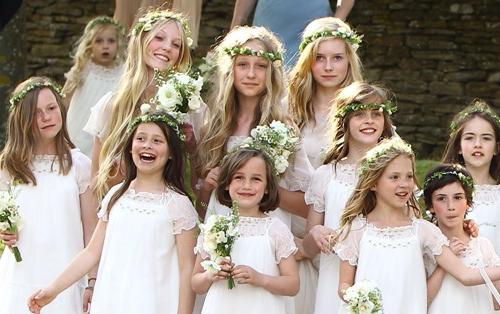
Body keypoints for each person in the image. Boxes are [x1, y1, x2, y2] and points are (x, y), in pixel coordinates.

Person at [27, 106, 198, 314]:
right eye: (141, 138)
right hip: (112, 300)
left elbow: (185, 269)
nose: (147, 145)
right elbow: (91, 253)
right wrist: (52, 290)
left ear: (171, 152)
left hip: (153, 304)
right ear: (130, 147)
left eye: (157, 141)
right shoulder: (116, 195)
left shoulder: (178, 205)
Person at [334, 137, 500, 314]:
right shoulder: (357, 229)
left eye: (409, 176)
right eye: (394, 177)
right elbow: (344, 284)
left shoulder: (424, 231)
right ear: (374, 182)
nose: (404, 184)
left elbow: (466, 275)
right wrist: (356, 296)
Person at [195, 25, 313, 223]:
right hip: (222, 240)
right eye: (242, 64)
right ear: (230, 69)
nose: (251, 74)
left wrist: (263, 189)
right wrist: (208, 188)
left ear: (271, 71)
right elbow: (201, 211)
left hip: (266, 238)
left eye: (260, 66)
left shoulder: (283, 128)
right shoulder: (213, 129)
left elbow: (309, 206)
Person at [0, 77, 97, 314]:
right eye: (36, 113)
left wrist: (92, 282)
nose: (46, 117)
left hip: (65, 276)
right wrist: (4, 230)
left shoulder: (79, 165)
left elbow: (92, 230)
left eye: (51, 108)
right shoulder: (10, 166)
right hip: (22, 273)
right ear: (22, 119)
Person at [83, 9, 201, 200]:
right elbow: (96, 182)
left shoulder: (190, 106)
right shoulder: (112, 106)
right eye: (159, 38)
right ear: (141, 41)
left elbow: (198, 177)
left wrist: (190, 148)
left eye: (176, 44)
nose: (167, 47)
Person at [302, 82, 396, 313]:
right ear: (344, 121)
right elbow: (307, 244)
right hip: (334, 279)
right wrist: (315, 234)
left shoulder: (395, 174)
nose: (369, 120)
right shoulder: (326, 176)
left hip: (381, 273)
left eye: (376, 114)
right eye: (360, 114)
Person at [192, 147, 299, 314]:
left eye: (256, 179)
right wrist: (210, 275)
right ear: (227, 183)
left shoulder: (275, 229)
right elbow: (196, 283)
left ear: (267, 188)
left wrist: (260, 279)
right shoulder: (215, 226)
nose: (246, 185)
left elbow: (293, 284)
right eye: (239, 177)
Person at [424, 164, 500, 313]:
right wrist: (445, 262)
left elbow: (495, 299)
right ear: (430, 206)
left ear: (468, 203)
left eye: (458, 197)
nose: (451, 206)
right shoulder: (426, 248)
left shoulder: (482, 245)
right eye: (441, 199)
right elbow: (420, 299)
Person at [288, 17, 363, 168]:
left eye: (337, 58)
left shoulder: (366, 106)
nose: (328, 67)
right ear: (307, 60)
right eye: (319, 58)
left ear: (349, 60)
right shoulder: (288, 107)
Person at [62, 16, 126, 157]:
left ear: (118, 44)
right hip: (79, 129)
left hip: (107, 130)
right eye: (99, 41)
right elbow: (64, 100)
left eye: (111, 41)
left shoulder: (124, 71)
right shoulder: (83, 68)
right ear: (90, 44)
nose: (105, 46)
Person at [442, 99, 500, 252]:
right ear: (459, 146)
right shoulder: (445, 193)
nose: (478, 144)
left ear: (496, 148)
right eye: (469, 137)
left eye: (486, 138)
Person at [230, 0, 355, 67]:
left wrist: (335, 23)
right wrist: (234, 29)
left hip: (313, 30)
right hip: (269, 23)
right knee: (262, 72)